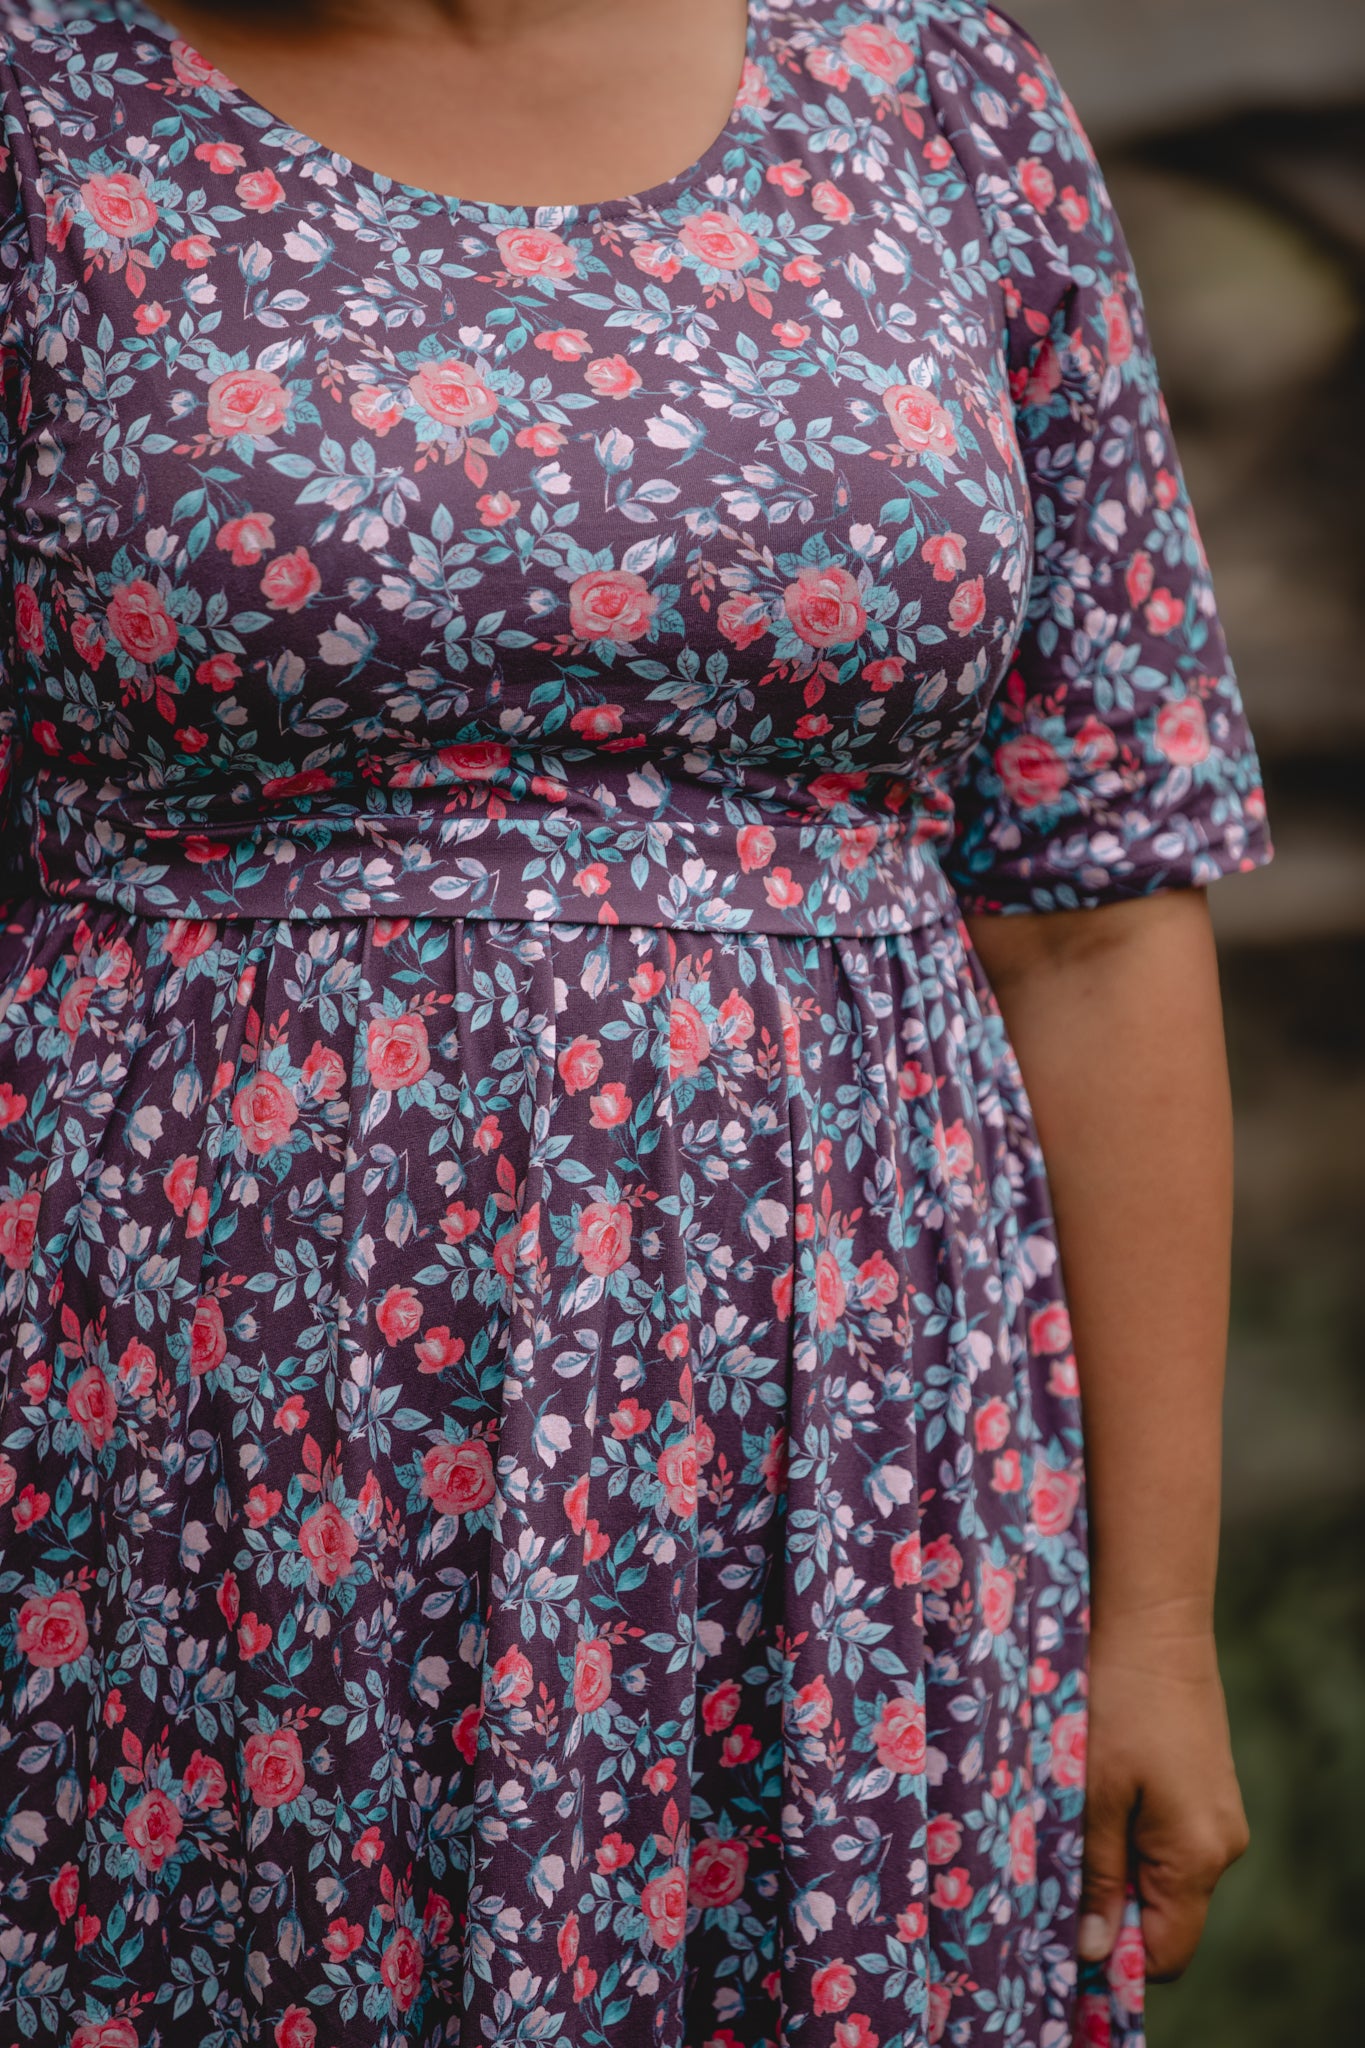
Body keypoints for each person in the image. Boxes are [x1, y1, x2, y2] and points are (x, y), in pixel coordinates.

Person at [0, 2, 1271, 2043]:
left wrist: (1152, 1628)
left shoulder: (927, 92)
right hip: (209, 1462)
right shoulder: (49, 111)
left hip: (858, 1464)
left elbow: (1098, 903)